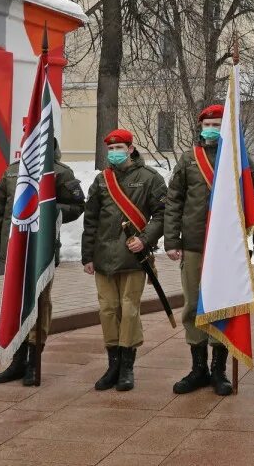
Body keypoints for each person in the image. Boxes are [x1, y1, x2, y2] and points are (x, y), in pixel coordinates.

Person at [162, 104, 254, 396]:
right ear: (200, 126)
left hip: (225, 248)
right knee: (193, 306)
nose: (213, 129)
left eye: (219, 124)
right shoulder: (188, 159)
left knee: (222, 304)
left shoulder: (238, 159)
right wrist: (171, 240)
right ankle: (198, 369)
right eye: (209, 124)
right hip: (193, 244)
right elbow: (174, 202)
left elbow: (253, 199)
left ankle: (219, 370)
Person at [0, 140, 86, 386]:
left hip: (42, 252)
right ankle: (17, 361)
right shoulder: (12, 171)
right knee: (16, 303)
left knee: (38, 304)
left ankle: (33, 360)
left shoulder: (59, 172)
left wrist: (49, 207)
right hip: (15, 251)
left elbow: (77, 206)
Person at [81, 129, 166, 392]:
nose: (115, 152)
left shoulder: (150, 178)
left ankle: (127, 367)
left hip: (134, 257)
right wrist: (87, 256)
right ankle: (113, 365)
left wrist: (146, 239)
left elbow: (162, 214)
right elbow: (91, 219)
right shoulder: (101, 181)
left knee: (129, 310)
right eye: (111, 149)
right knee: (108, 311)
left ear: (131, 148)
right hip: (104, 257)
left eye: (120, 147)